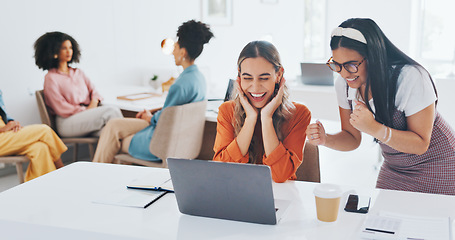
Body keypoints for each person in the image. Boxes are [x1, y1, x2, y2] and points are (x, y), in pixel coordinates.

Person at [306, 18, 455, 195]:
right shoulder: (344, 84)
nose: (344, 73)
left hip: (438, 165)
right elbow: (352, 138)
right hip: (395, 168)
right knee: (379, 221)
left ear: (373, 57)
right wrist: (326, 139)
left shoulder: (410, 77)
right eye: (336, 65)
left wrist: (374, 128)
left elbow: (421, 144)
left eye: (351, 65)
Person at [92, 19, 214, 163]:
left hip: (160, 142)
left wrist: (150, 117)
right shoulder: (199, 79)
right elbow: (171, 113)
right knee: (113, 125)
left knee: (114, 140)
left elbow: (165, 119)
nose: (173, 52)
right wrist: (152, 116)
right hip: (175, 136)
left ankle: (96, 173)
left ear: (183, 52)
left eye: (175, 47)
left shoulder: (179, 85)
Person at [213, 41, 311, 183]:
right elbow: (221, 170)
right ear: (239, 78)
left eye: (264, 78)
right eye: (247, 78)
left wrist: (266, 118)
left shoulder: (299, 114)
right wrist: (250, 119)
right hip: (235, 193)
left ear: (279, 75)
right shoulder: (227, 111)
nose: (256, 87)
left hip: (279, 196)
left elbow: (280, 175)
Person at [34, 32, 123, 137]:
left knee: (110, 131)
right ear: (54, 51)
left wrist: (93, 103)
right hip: (67, 121)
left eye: (70, 47)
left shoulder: (78, 73)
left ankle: (116, 152)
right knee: (111, 111)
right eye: (64, 48)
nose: (69, 51)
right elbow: (60, 107)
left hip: (88, 115)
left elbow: (94, 91)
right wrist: (86, 110)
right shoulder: (51, 78)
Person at [0, 90, 67, 182]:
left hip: (5, 134)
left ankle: (42, 187)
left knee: (40, 148)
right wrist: (2, 129)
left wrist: (11, 122)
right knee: (44, 130)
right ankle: (62, 171)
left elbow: (3, 114)